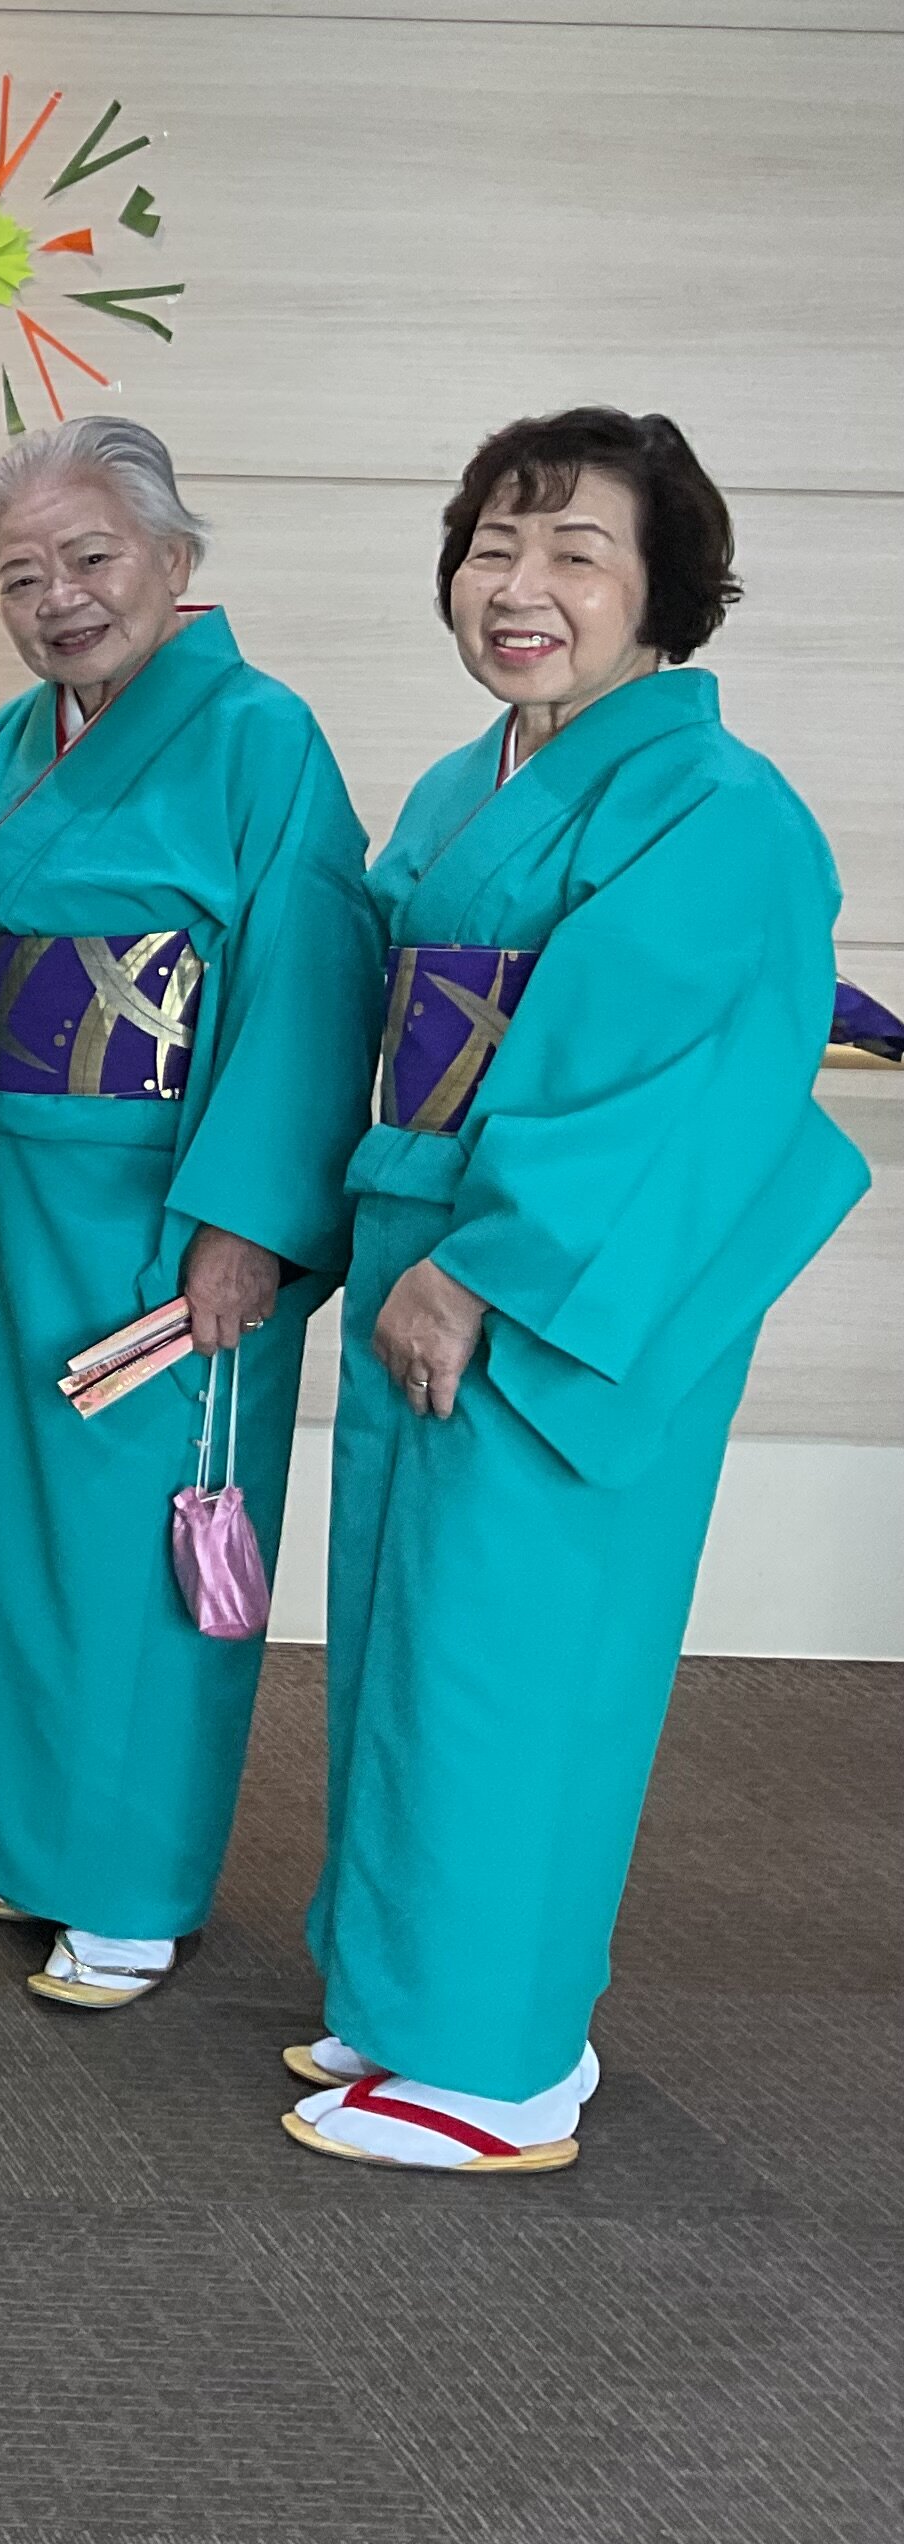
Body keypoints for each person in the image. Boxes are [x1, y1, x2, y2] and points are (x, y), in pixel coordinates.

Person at [289, 408, 866, 2172]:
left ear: (664, 589)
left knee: (517, 1658)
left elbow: (665, 1088)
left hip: (550, 1291)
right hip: (425, 1237)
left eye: (575, 554)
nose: (519, 588)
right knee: (409, 1635)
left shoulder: (718, 809)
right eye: (494, 549)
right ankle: (411, 1997)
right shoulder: (463, 787)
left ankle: (500, 2063)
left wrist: (484, 1270)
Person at [0, 421, 377, 2010]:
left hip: (166, 1207)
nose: (60, 599)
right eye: (22, 575)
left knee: (139, 1546)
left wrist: (249, 1222)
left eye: (92, 559)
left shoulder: (260, 736)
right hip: (10, 1183)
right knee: (7, 1527)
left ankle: (125, 1881)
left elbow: (310, 989)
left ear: (176, 559)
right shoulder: (5, 743)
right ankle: (19, 1832)